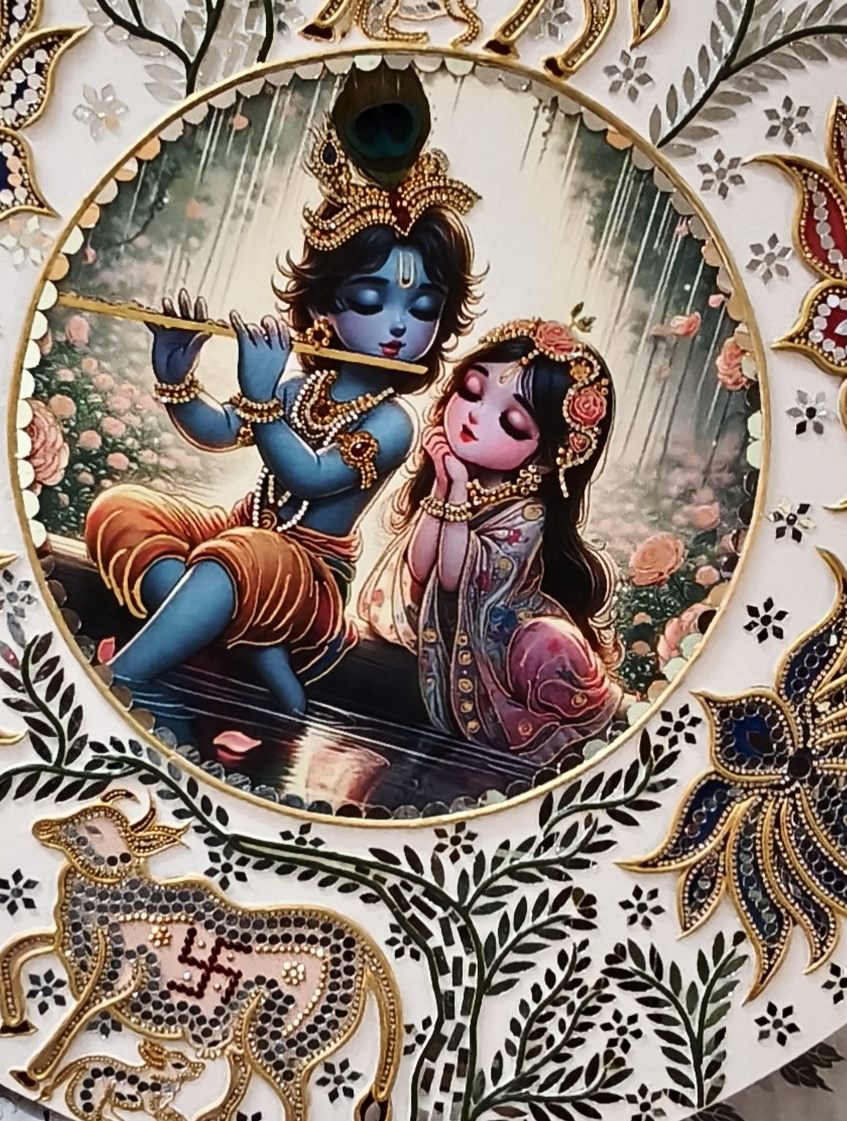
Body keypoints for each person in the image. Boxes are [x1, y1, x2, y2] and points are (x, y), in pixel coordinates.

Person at [85, 69, 480, 715]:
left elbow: (311, 475)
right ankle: (247, 641)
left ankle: (124, 678)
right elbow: (217, 431)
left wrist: (264, 399)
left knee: (235, 559)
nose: (399, 325)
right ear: (323, 305)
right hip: (245, 534)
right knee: (122, 509)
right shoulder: (304, 385)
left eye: (423, 308)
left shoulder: (393, 422)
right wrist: (176, 376)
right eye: (372, 299)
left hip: (308, 573)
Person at [362, 319, 623, 764]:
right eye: (471, 391)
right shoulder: (454, 478)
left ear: (545, 459)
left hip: (505, 644)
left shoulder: (528, 513)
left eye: (511, 422)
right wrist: (443, 484)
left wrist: (455, 491)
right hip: (448, 628)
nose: (475, 416)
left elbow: (454, 577)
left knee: (547, 644)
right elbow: (420, 568)